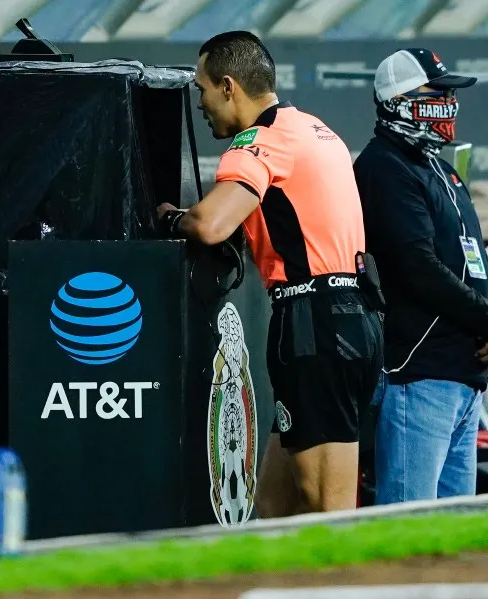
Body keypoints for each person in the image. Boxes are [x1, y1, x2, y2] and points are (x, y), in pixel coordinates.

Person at [156, 31, 383, 514]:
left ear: (228, 86)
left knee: (329, 507)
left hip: (313, 324)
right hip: (352, 317)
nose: (200, 104)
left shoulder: (259, 141)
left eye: (202, 89)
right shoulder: (315, 129)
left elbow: (211, 224)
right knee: (277, 507)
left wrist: (171, 218)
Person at [352, 48, 488, 505]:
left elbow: (475, 256)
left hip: (465, 375)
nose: (448, 104)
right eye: (437, 93)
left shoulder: (441, 168)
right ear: (398, 100)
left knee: (455, 529)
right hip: (420, 372)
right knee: (411, 522)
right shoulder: (383, 166)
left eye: (450, 94)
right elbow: (417, 267)